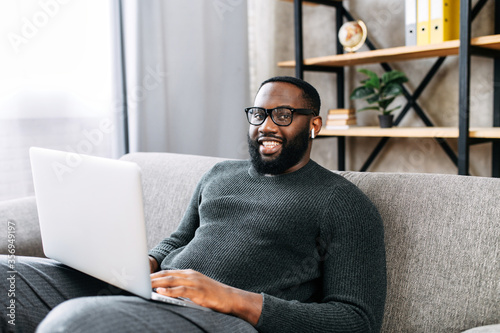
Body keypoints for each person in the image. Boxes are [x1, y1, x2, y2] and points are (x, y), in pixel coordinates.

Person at [1, 76, 386, 333]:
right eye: (258, 114)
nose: (267, 125)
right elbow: (178, 239)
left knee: (75, 323)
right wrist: (141, 265)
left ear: (315, 126)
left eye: (284, 115)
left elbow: (356, 319)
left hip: (223, 320)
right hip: (153, 292)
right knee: (6, 276)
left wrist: (232, 298)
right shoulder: (220, 174)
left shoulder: (342, 203)